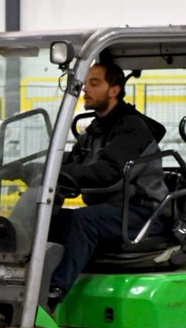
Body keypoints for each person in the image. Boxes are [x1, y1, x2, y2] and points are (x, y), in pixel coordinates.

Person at [47, 59, 167, 307]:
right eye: (85, 83)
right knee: (51, 219)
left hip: (142, 213)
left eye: (94, 83)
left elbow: (109, 171)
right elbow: (71, 160)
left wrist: (63, 174)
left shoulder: (132, 128)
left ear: (114, 90)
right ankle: (24, 286)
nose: (85, 90)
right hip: (111, 212)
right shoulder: (95, 130)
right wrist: (37, 170)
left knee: (82, 221)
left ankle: (51, 295)